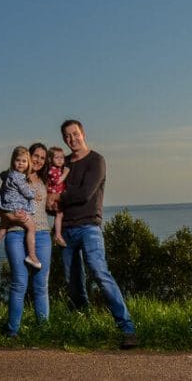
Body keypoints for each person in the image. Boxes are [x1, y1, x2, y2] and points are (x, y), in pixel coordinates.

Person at [48, 119, 138, 349]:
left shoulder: (96, 160)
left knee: (99, 272)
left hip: (89, 227)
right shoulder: (63, 163)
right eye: (67, 136)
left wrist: (59, 197)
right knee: (73, 282)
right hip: (66, 230)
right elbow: (52, 194)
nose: (72, 139)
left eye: (75, 134)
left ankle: (127, 328)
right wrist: (52, 201)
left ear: (83, 133)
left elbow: (85, 194)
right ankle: (84, 327)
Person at [0, 143, 52, 338]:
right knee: (19, 282)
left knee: (41, 285)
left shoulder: (45, 180)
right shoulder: (14, 177)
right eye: (35, 156)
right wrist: (12, 217)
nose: (38, 160)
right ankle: (12, 331)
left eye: (42, 158)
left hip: (42, 234)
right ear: (28, 157)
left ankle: (44, 331)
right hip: (16, 233)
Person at [0, 146, 42, 271]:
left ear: (27, 163)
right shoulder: (18, 177)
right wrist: (34, 195)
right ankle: (32, 256)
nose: (20, 163)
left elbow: (4, 176)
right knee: (32, 227)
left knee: (1, 231)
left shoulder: (8, 175)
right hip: (15, 209)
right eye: (18, 160)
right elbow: (26, 192)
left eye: (24, 161)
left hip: (6, 208)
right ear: (13, 161)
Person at [47, 146, 69, 248]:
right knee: (59, 214)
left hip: (58, 195)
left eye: (62, 157)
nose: (60, 160)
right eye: (57, 158)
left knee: (60, 214)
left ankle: (56, 232)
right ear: (51, 159)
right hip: (54, 196)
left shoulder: (58, 169)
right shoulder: (52, 170)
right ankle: (57, 235)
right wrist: (66, 172)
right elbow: (57, 181)